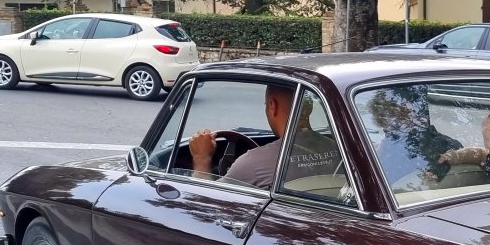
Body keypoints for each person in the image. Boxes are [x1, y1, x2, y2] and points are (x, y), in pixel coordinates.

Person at [189, 84, 341, 189]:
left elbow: (206, 202)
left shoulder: (253, 164)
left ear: (272, 106)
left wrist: (201, 159)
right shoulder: (341, 152)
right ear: (310, 107)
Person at [365, 86, 462, 191]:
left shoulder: (445, 149)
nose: (392, 121)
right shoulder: (380, 150)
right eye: (386, 114)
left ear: (418, 114)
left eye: (403, 113)